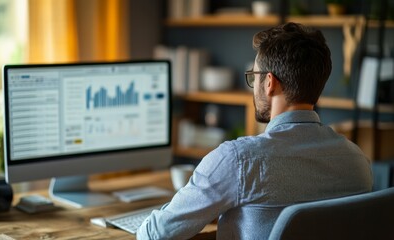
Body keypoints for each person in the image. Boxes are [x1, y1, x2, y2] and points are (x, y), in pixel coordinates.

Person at [137, 22, 372, 240]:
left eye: (254, 77)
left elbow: (157, 234)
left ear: (269, 83)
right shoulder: (358, 161)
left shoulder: (238, 161)